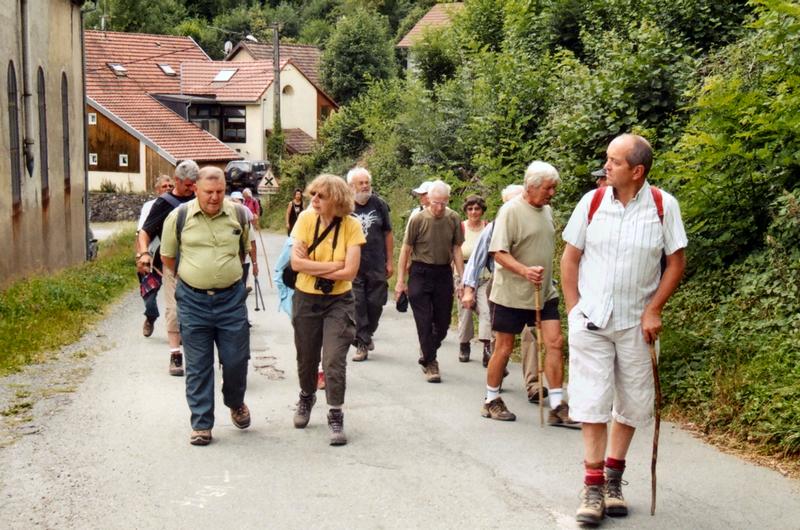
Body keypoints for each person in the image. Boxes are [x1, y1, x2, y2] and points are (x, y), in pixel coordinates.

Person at [561, 134, 687, 525]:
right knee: (593, 401)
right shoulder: (592, 202)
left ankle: (613, 479)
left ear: (637, 170)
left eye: (613, 161)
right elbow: (569, 258)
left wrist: (654, 309)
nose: (606, 166)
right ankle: (593, 487)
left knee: (632, 403)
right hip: (592, 322)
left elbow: (676, 263)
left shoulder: (664, 207)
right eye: (606, 159)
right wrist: (573, 311)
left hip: (637, 324)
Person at [159, 166, 253, 446]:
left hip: (231, 301)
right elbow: (168, 257)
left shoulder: (237, 214)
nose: (214, 197)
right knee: (199, 365)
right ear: (195, 189)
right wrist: (194, 277)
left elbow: (242, 249)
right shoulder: (179, 217)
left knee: (236, 360)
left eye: (220, 192)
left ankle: (235, 401)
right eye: (209, 192)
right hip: (193, 301)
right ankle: (201, 424)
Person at [483, 161, 576, 427]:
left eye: (554, 188)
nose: (552, 193)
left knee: (555, 342)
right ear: (532, 186)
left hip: (544, 291)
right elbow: (497, 252)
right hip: (512, 293)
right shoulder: (510, 211)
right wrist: (524, 271)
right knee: (504, 347)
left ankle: (558, 405)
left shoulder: (546, 210)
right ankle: (491, 400)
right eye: (548, 188)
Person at [290, 174, 365, 446]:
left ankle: (335, 412)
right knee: (307, 356)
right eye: (313, 194)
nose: (314, 200)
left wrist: (315, 265)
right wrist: (334, 266)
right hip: (306, 298)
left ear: (337, 199)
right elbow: (296, 264)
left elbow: (352, 270)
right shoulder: (305, 220)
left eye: (321, 196)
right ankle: (306, 395)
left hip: (339, 301)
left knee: (333, 359)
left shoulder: (351, 226)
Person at [462, 185, 545, 402]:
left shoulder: (536, 220)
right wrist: (469, 290)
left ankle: (534, 384)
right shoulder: (496, 227)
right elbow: (477, 259)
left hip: (530, 289)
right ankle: (495, 382)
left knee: (532, 336)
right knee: (503, 343)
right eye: (510, 202)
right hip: (501, 288)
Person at [396, 180, 464, 383]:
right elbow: (405, 250)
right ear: (428, 200)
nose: (439, 207)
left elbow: (457, 249)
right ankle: (431, 363)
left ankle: (427, 350)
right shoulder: (418, 219)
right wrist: (401, 281)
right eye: (435, 202)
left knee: (442, 324)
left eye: (443, 203)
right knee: (424, 322)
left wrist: (462, 278)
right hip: (420, 271)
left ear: (448, 200)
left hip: (443, 272)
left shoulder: (453, 218)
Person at [137, 160, 199, 376]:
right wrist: (144, 253)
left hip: (200, 264)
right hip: (172, 262)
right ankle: (175, 354)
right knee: (173, 309)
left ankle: (198, 353)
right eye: (189, 185)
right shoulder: (164, 203)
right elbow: (145, 232)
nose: (192, 189)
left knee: (198, 312)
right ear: (178, 181)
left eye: (194, 184)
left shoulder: (201, 198)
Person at [347, 167, 394, 362]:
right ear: (351, 186)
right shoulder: (345, 207)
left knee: (376, 303)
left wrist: (390, 261)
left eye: (367, 182)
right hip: (354, 265)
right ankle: (362, 343)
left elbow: (388, 233)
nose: (365, 186)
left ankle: (366, 334)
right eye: (361, 183)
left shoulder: (380, 204)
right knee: (358, 304)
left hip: (376, 263)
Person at [137, 175, 173, 337]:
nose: (167, 188)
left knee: (178, 297)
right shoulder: (149, 206)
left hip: (173, 256)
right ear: (157, 190)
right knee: (149, 295)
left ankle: (177, 330)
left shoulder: (178, 205)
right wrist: (140, 255)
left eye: (170, 185)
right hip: (152, 255)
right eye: (164, 186)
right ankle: (150, 317)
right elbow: (141, 233)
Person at [456, 195, 490, 362]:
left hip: (484, 275)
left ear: (482, 210)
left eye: (477, 208)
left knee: (486, 311)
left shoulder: (488, 227)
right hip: (463, 274)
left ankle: (487, 347)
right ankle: (464, 344)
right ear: (466, 210)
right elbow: (453, 253)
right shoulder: (461, 227)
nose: (474, 212)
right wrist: (458, 280)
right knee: (466, 311)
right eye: (470, 209)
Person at [230, 191, 259, 291]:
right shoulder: (225, 222)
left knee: (239, 291)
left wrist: (255, 264)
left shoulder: (247, 225)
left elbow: (252, 244)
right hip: (228, 264)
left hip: (243, 262)